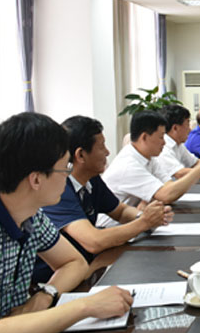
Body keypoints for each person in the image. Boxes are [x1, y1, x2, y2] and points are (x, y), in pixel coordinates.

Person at [0, 112, 132, 333]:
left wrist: (45, 296)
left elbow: (74, 262)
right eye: (65, 168)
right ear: (36, 179)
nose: (68, 176)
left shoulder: (29, 212)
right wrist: (86, 306)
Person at [34, 116, 172, 282]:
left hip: (88, 265)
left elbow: (120, 211)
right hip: (57, 279)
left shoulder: (91, 179)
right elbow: (93, 241)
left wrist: (145, 216)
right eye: (101, 147)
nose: (107, 152)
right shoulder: (59, 189)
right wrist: (144, 222)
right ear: (80, 155)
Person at [101, 111, 200, 224]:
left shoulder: (149, 157)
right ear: (144, 137)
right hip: (111, 227)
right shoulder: (128, 165)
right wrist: (199, 172)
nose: (164, 143)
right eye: (161, 137)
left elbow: (168, 187)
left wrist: (149, 199)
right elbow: (167, 195)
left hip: (134, 220)